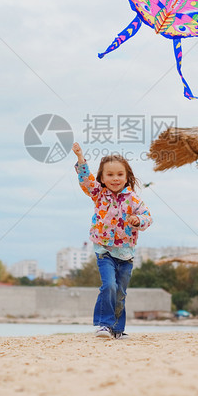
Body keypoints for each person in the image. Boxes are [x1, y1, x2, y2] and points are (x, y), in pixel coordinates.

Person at [72, 142, 152, 340]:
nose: (115, 179)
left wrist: (138, 220)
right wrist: (81, 158)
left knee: (121, 292)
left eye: (119, 175)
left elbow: (147, 218)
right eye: (110, 175)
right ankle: (104, 325)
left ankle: (117, 329)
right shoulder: (99, 194)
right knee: (109, 285)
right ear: (102, 178)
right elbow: (86, 181)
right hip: (104, 250)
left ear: (126, 177)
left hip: (126, 252)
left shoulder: (133, 199)